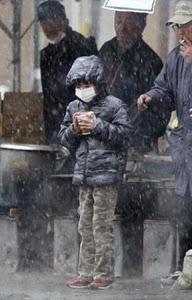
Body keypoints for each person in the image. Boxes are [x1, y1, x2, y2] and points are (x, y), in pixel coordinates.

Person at [59, 55, 132, 289]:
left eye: (87, 85)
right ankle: (85, 272)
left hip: (106, 176)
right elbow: (62, 139)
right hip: (84, 176)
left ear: (99, 84)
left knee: (101, 225)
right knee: (84, 225)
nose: (83, 90)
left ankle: (103, 273)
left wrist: (97, 126)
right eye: (79, 86)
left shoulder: (114, 105)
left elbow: (124, 136)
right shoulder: (73, 108)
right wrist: (74, 129)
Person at [137, 0, 192, 270]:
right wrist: (151, 96)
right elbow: (165, 89)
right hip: (185, 150)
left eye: (185, 26)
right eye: (177, 27)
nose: (180, 32)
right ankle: (185, 269)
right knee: (184, 212)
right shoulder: (174, 58)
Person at [99, 11, 170, 151]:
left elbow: (160, 109)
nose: (122, 27)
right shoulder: (106, 51)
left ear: (141, 25)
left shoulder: (151, 61)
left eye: (129, 21)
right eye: (118, 20)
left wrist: (141, 135)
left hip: (135, 144)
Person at [38, 0, 97, 144]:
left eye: (53, 19)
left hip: (79, 126)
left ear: (65, 21)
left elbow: (90, 92)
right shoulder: (46, 54)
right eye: (44, 22)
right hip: (54, 127)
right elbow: (49, 96)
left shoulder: (82, 46)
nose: (48, 26)